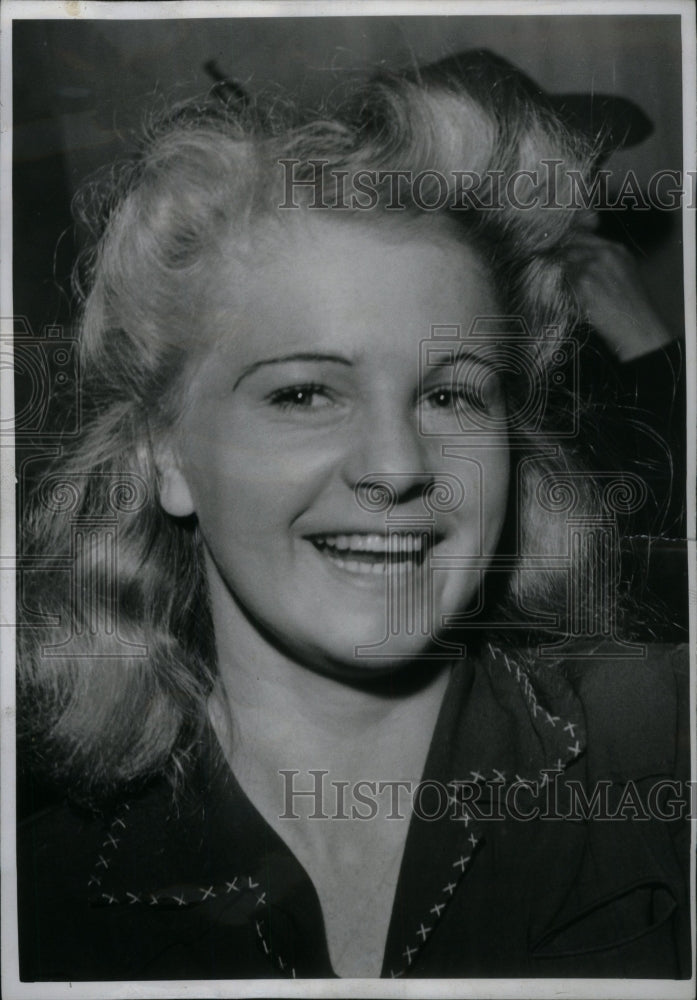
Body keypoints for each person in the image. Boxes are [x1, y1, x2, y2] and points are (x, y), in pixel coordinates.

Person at [17, 51, 691, 981]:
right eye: (303, 395)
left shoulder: (664, 742)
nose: (397, 465)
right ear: (163, 453)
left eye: (453, 397)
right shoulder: (39, 887)